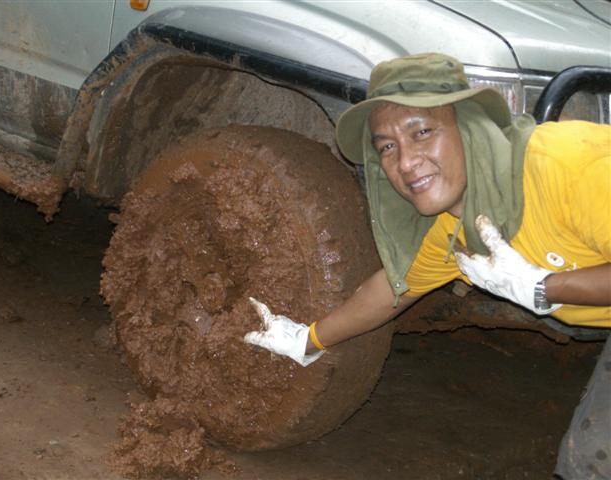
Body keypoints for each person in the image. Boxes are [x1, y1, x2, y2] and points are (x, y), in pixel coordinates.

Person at [244, 53, 611, 479]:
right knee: (588, 463)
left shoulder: (572, 168)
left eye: (422, 132)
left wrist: (545, 288)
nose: (405, 162)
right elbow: (392, 291)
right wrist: (305, 340)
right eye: (387, 147)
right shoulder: (455, 227)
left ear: (469, 126)